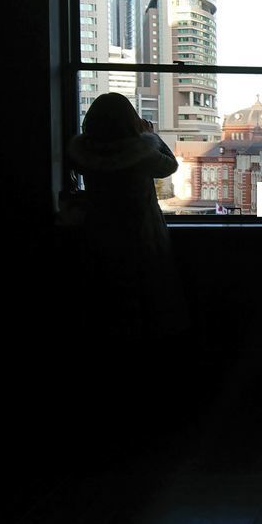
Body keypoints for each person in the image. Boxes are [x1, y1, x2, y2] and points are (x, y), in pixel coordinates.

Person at [67, 93, 186, 339]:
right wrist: (150, 135)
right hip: (140, 236)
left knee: (105, 306)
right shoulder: (142, 155)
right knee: (145, 304)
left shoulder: (84, 154)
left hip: (99, 235)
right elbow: (170, 165)